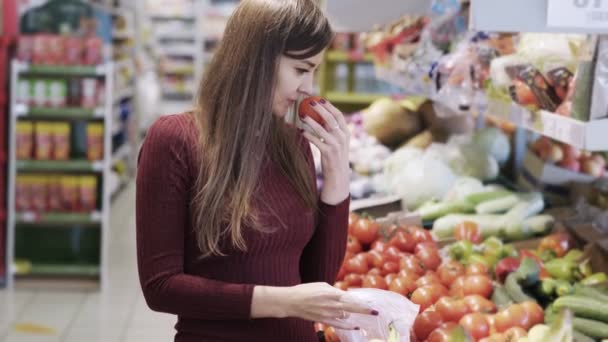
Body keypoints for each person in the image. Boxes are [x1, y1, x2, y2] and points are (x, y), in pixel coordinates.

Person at [135, 0, 377, 341]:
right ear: (257, 60)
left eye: (314, 72)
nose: (308, 87)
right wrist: (282, 301)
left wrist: (337, 176)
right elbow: (161, 287)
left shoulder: (293, 144)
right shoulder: (175, 140)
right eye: (300, 69)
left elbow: (316, 281)